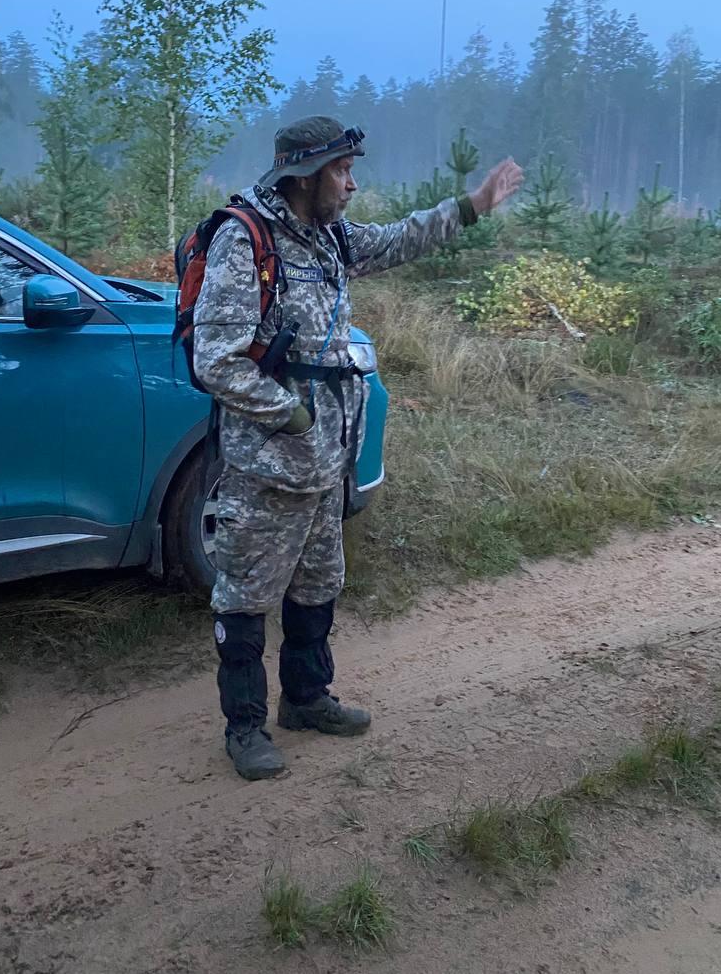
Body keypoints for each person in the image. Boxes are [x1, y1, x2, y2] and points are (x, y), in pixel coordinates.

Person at [192, 115, 523, 780]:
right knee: (245, 593)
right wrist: (286, 416)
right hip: (268, 466)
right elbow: (215, 361)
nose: (350, 183)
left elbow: (398, 240)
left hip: (325, 461)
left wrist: (470, 207)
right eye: (341, 172)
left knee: (318, 583)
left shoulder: (327, 235)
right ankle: (244, 727)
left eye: (349, 170)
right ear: (305, 175)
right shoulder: (243, 240)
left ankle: (307, 699)